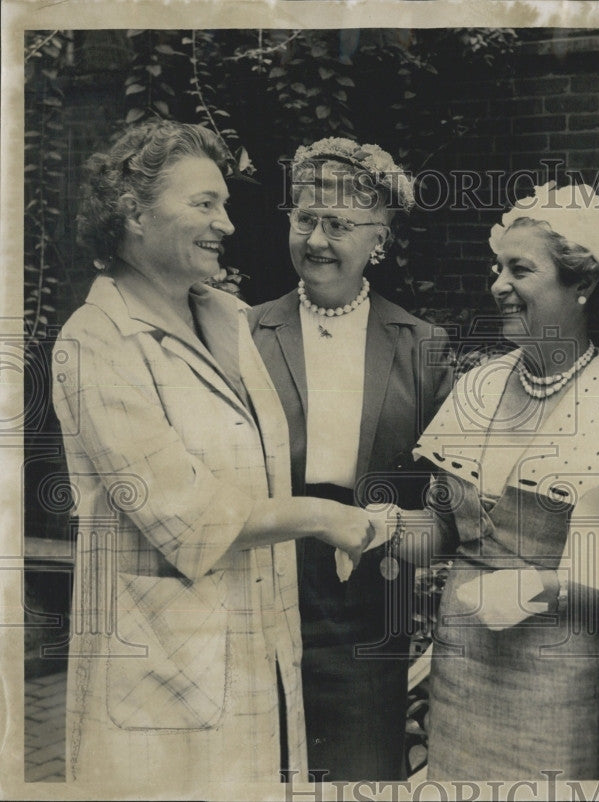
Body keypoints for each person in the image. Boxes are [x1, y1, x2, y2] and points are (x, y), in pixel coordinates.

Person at [51, 120, 374, 785]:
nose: (226, 224)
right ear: (132, 211)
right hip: (158, 680)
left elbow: (260, 474)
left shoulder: (229, 318)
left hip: (259, 655)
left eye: (224, 204)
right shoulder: (95, 341)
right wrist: (324, 517)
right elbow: (189, 519)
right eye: (204, 203)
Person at [385, 182, 599, 779]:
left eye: (519, 269)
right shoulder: (477, 389)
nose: (498, 285)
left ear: (583, 285)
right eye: (497, 268)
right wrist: (382, 530)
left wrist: (541, 591)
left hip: (563, 692)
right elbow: (443, 529)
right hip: (460, 680)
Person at [248, 137, 453, 780]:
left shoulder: (421, 346)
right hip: (262, 577)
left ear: (379, 243)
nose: (317, 239)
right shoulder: (244, 332)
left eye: (338, 225)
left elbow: (445, 501)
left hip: (370, 589)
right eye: (305, 218)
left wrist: (388, 530)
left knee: (360, 773)